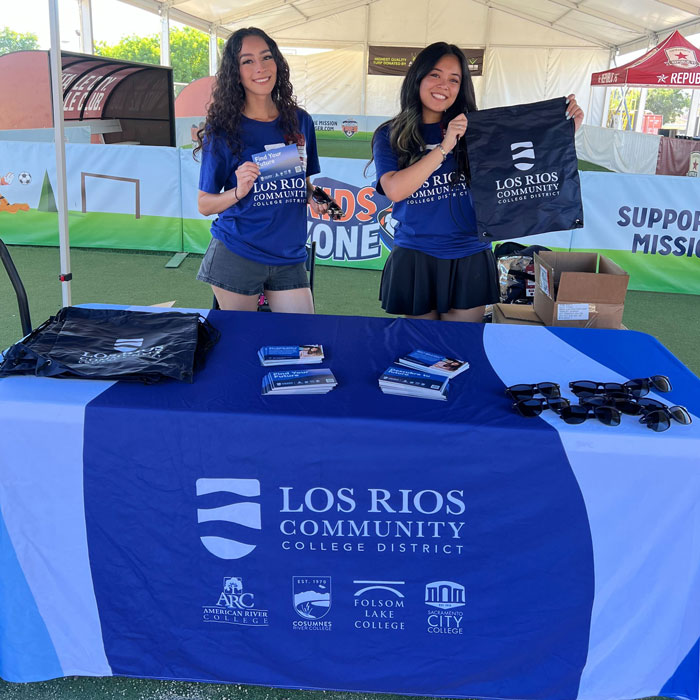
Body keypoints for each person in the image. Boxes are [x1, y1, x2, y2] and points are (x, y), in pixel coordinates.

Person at [370, 42, 584, 322]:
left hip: (470, 254)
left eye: (454, 79)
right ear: (418, 77)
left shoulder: (479, 129)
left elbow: (518, 173)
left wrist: (562, 133)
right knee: (421, 353)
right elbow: (395, 190)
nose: (443, 85)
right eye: (435, 75)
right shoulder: (390, 134)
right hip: (415, 254)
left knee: (459, 351)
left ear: (462, 87)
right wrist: (444, 146)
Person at [194, 27, 327, 313]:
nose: (261, 68)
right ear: (235, 72)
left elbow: (301, 184)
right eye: (248, 61)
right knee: (242, 344)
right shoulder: (222, 130)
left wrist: (319, 199)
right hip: (237, 253)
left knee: (303, 340)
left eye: (266, 57)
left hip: (289, 256)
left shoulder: (300, 121)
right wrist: (238, 191)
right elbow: (204, 204)